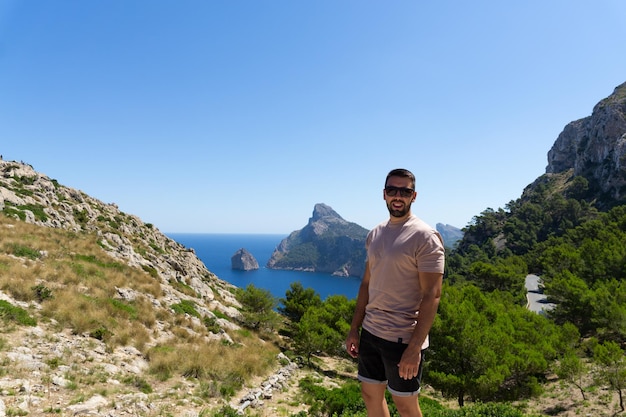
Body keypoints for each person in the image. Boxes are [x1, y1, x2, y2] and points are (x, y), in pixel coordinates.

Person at [345, 168, 445, 417]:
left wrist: (415, 347)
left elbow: (432, 295)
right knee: (370, 396)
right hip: (371, 332)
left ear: (414, 196)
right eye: (392, 190)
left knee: (406, 407)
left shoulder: (425, 236)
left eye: (405, 191)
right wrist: (354, 329)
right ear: (384, 194)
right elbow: (367, 284)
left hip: (402, 339)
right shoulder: (375, 234)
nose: (398, 196)